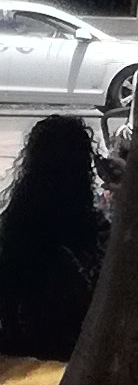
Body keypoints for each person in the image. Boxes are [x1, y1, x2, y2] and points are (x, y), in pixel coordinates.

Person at [0, 114, 109, 360]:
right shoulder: (97, 231)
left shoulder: (12, 226)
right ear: (85, 168)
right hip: (73, 352)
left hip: (15, 347)